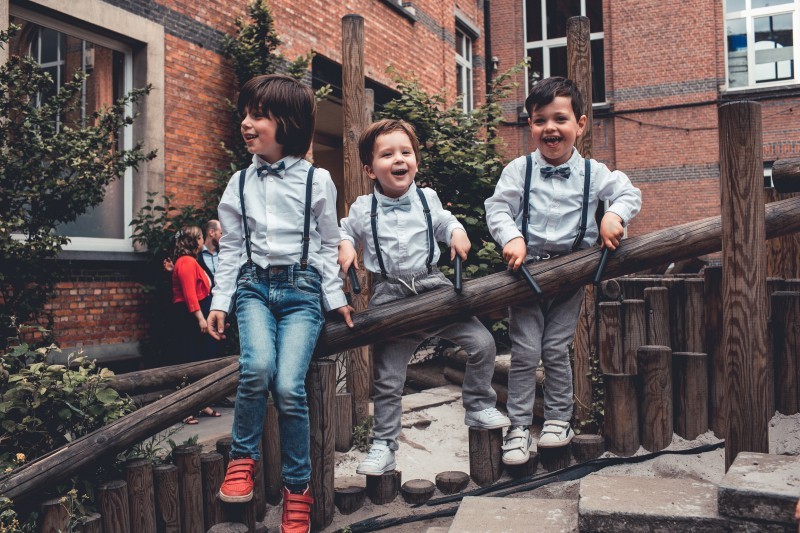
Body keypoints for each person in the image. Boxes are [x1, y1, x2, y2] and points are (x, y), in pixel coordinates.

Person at [206, 73, 353, 532]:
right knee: (255, 369)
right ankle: (243, 459)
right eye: (246, 114)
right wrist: (221, 301)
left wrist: (336, 298)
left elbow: (329, 243)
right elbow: (230, 250)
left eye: (259, 116)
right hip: (252, 287)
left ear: (286, 123)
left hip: (302, 292)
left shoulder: (318, 180)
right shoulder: (238, 182)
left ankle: (297, 488)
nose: (247, 124)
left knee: (289, 386)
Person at [338, 119, 509, 476]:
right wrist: (344, 246)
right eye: (387, 155)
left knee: (482, 343)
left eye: (405, 152)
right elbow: (343, 230)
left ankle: (477, 404)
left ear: (415, 159)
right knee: (387, 379)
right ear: (370, 169)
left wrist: (458, 233)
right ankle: (384, 445)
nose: (399, 159)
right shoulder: (362, 207)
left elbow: (446, 223)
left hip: (433, 285)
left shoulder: (427, 198)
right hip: (389, 294)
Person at [485, 76, 641, 465]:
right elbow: (497, 208)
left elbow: (628, 193)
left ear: (581, 124)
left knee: (555, 349)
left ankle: (558, 420)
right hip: (525, 275)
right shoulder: (519, 170)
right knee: (523, 352)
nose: (550, 128)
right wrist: (510, 238)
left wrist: (613, 217)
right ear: (530, 126)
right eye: (540, 120)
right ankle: (519, 426)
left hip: (571, 275)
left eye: (560, 119)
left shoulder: (594, 172)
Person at [170, 225, 223, 424]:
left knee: (200, 359)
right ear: (194, 241)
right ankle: (185, 410)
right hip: (189, 318)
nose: (202, 240)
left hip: (195, 315)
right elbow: (189, 293)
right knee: (190, 361)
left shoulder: (191, 261)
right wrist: (201, 318)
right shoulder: (186, 262)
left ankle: (201, 403)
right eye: (200, 237)